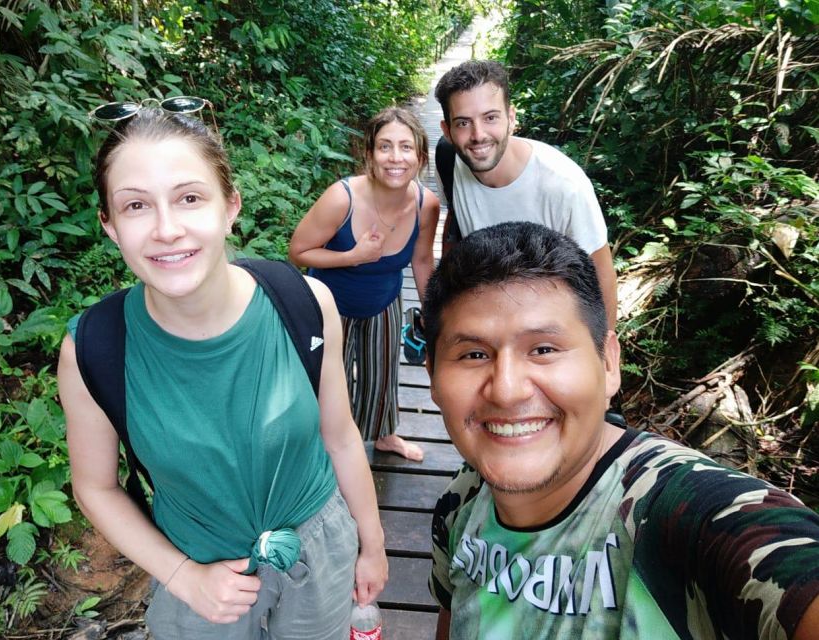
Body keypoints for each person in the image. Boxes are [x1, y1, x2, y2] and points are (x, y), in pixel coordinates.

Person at [57, 105, 387, 639]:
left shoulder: (304, 304)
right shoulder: (95, 347)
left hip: (321, 551)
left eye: (190, 198)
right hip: (197, 576)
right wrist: (183, 576)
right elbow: (96, 487)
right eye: (136, 206)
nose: (167, 229)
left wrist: (370, 543)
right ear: (110, 226)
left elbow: (340, 436)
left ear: (230, 205)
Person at [422, 221, 819, 639]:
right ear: (432, 377)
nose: (505, 390)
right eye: (473, 354)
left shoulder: (678, 511)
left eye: (543, 349)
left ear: (609, 363)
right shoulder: (462, 500)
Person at [289, 107, 440, 461]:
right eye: (385, 146)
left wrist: (434, 317)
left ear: (420, 157)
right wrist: (351, 257)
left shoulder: (425, 205)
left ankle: (383, 434)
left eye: (406, 148)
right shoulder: (342, 197)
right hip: (329, 306)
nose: (395, 158)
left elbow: (421, 260)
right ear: (369, 153)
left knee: (382, 375)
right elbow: (298, 251)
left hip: (384, 301)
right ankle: (322, 445)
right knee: (329, 379)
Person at [434, 59, 619, 331]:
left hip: (549, 326)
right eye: (463, 123)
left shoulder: (563, 185)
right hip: (487, 317)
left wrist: (605, 358)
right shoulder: (448, 160)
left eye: (490, 117)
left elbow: (601, 272)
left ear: (511, 118)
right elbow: (453, 223)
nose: (478, 135)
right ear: (447, 131)